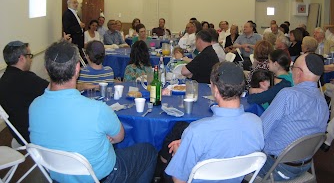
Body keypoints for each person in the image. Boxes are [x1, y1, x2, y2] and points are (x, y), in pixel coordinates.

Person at [29, 41, 157, 182]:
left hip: (57, 176)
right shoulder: (97, 109)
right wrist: (105, 138)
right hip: (102, 177)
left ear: (46, 69)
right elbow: (119, 137)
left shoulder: (34, 107)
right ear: (78, 69)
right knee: (148, 151)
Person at [163, 62, 264, 182]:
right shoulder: (256, 123)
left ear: (215, 89)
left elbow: (179, 180)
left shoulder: (196, 131)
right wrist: (188, 143)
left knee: (166, 168)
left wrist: (179, 152)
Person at [257, 53, 329, 181]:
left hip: (276, 168)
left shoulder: (288, 95)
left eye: (293, 68)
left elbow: (260, 131)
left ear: (299, 72)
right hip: (304, 165)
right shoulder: (322, 100)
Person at [0, 41, 48, 143]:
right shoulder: (26, 79)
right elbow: (56, 89)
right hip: (34, 135)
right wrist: (82, 86)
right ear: (22, 58)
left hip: (19, 134)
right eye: (29, 56)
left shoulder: (3, 80)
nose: (31, 60)